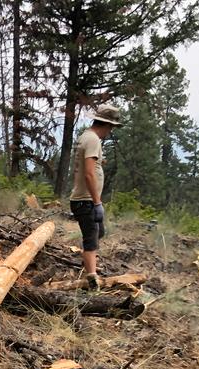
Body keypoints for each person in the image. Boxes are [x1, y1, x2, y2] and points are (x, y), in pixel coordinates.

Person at [69, 104, 121, 289]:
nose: (110, 131)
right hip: (86, 201)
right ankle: (92, 281)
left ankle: (89, 267)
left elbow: (89, 167)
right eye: (111, 127)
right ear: (106, 125)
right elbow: (89, 174)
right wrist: (97, 202)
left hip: (86, 200)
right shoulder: (93, 140)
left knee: (98, 233)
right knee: (91, 239)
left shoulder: (88, 137)